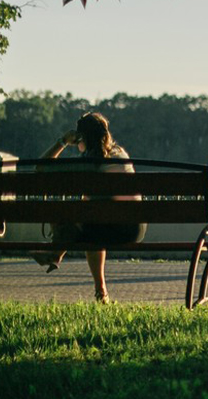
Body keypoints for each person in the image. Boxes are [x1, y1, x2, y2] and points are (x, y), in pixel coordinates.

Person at [33, 112, 145, 304]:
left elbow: (41, 167)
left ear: (81, 138)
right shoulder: (119, 154)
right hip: (135, 227)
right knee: (90, 220)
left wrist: (62, 141)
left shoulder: (88, 163)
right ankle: (99, 292)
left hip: (112, 227)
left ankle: (56, 251)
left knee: (69, 213)